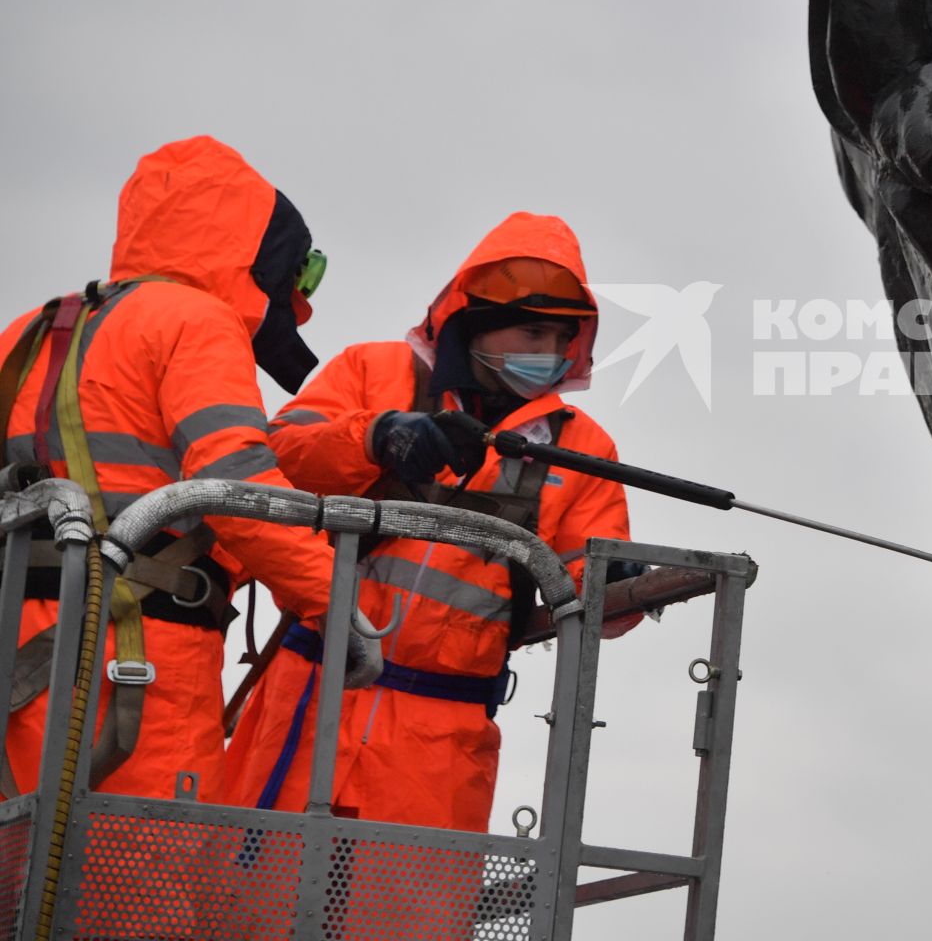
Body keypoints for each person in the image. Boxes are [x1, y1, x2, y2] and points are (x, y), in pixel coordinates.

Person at [222, 211, 637, 834]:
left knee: (403, 930)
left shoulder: (584, 450)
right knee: (246, 922)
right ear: (473, 325)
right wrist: (375, 438)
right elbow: (273, 457)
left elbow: (598, 603)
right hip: (307, 703)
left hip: (440, 747)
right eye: (531, 334)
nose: (548, 354)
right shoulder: (372, 373)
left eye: (560, 339)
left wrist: (624, 584)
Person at [1, 134, 368, 801]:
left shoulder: (36, 328)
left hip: (15, 655)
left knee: (21, 886)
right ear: (260, 253)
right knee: (147, 889)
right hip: (132, 657)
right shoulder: (197, 321)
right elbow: (237, 485)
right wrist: (336, 598)